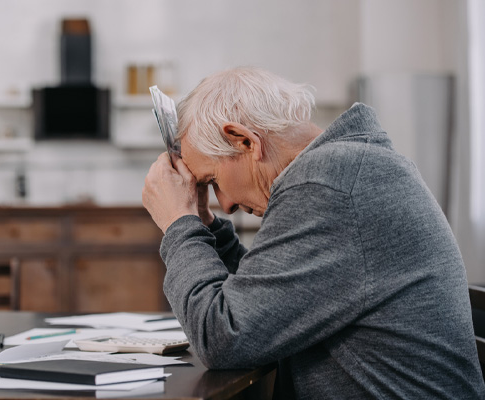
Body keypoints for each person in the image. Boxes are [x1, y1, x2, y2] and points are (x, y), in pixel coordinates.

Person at [142, 66, 485, 399]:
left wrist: (178, 223)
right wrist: (204, 226)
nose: (226, 205)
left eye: (214, 181)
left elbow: (223, 337)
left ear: (244, 141)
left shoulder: (329, 184)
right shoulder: (349, 169)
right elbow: (271, 301)